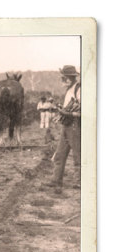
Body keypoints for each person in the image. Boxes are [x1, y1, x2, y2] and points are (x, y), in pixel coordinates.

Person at [43, 65, 81, 193]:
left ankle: (80, 182)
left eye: (63, 79)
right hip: (67, 125)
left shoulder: (78, 89)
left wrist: (68, 114)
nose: (61, 81)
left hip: (75, 125)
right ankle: (56, 180)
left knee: (78, 154)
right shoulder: (70, 90)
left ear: (68, 79)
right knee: (60, 154)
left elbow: (83, 110)